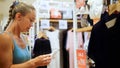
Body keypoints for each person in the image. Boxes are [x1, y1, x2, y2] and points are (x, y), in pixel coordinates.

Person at [0, 1, 51, 68]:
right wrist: (34, 62)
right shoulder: (5, 38)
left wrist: (39, 62)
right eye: (31, 20)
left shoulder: (23, 38)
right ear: (18, 16)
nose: (32, 25)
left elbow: (25, 64)